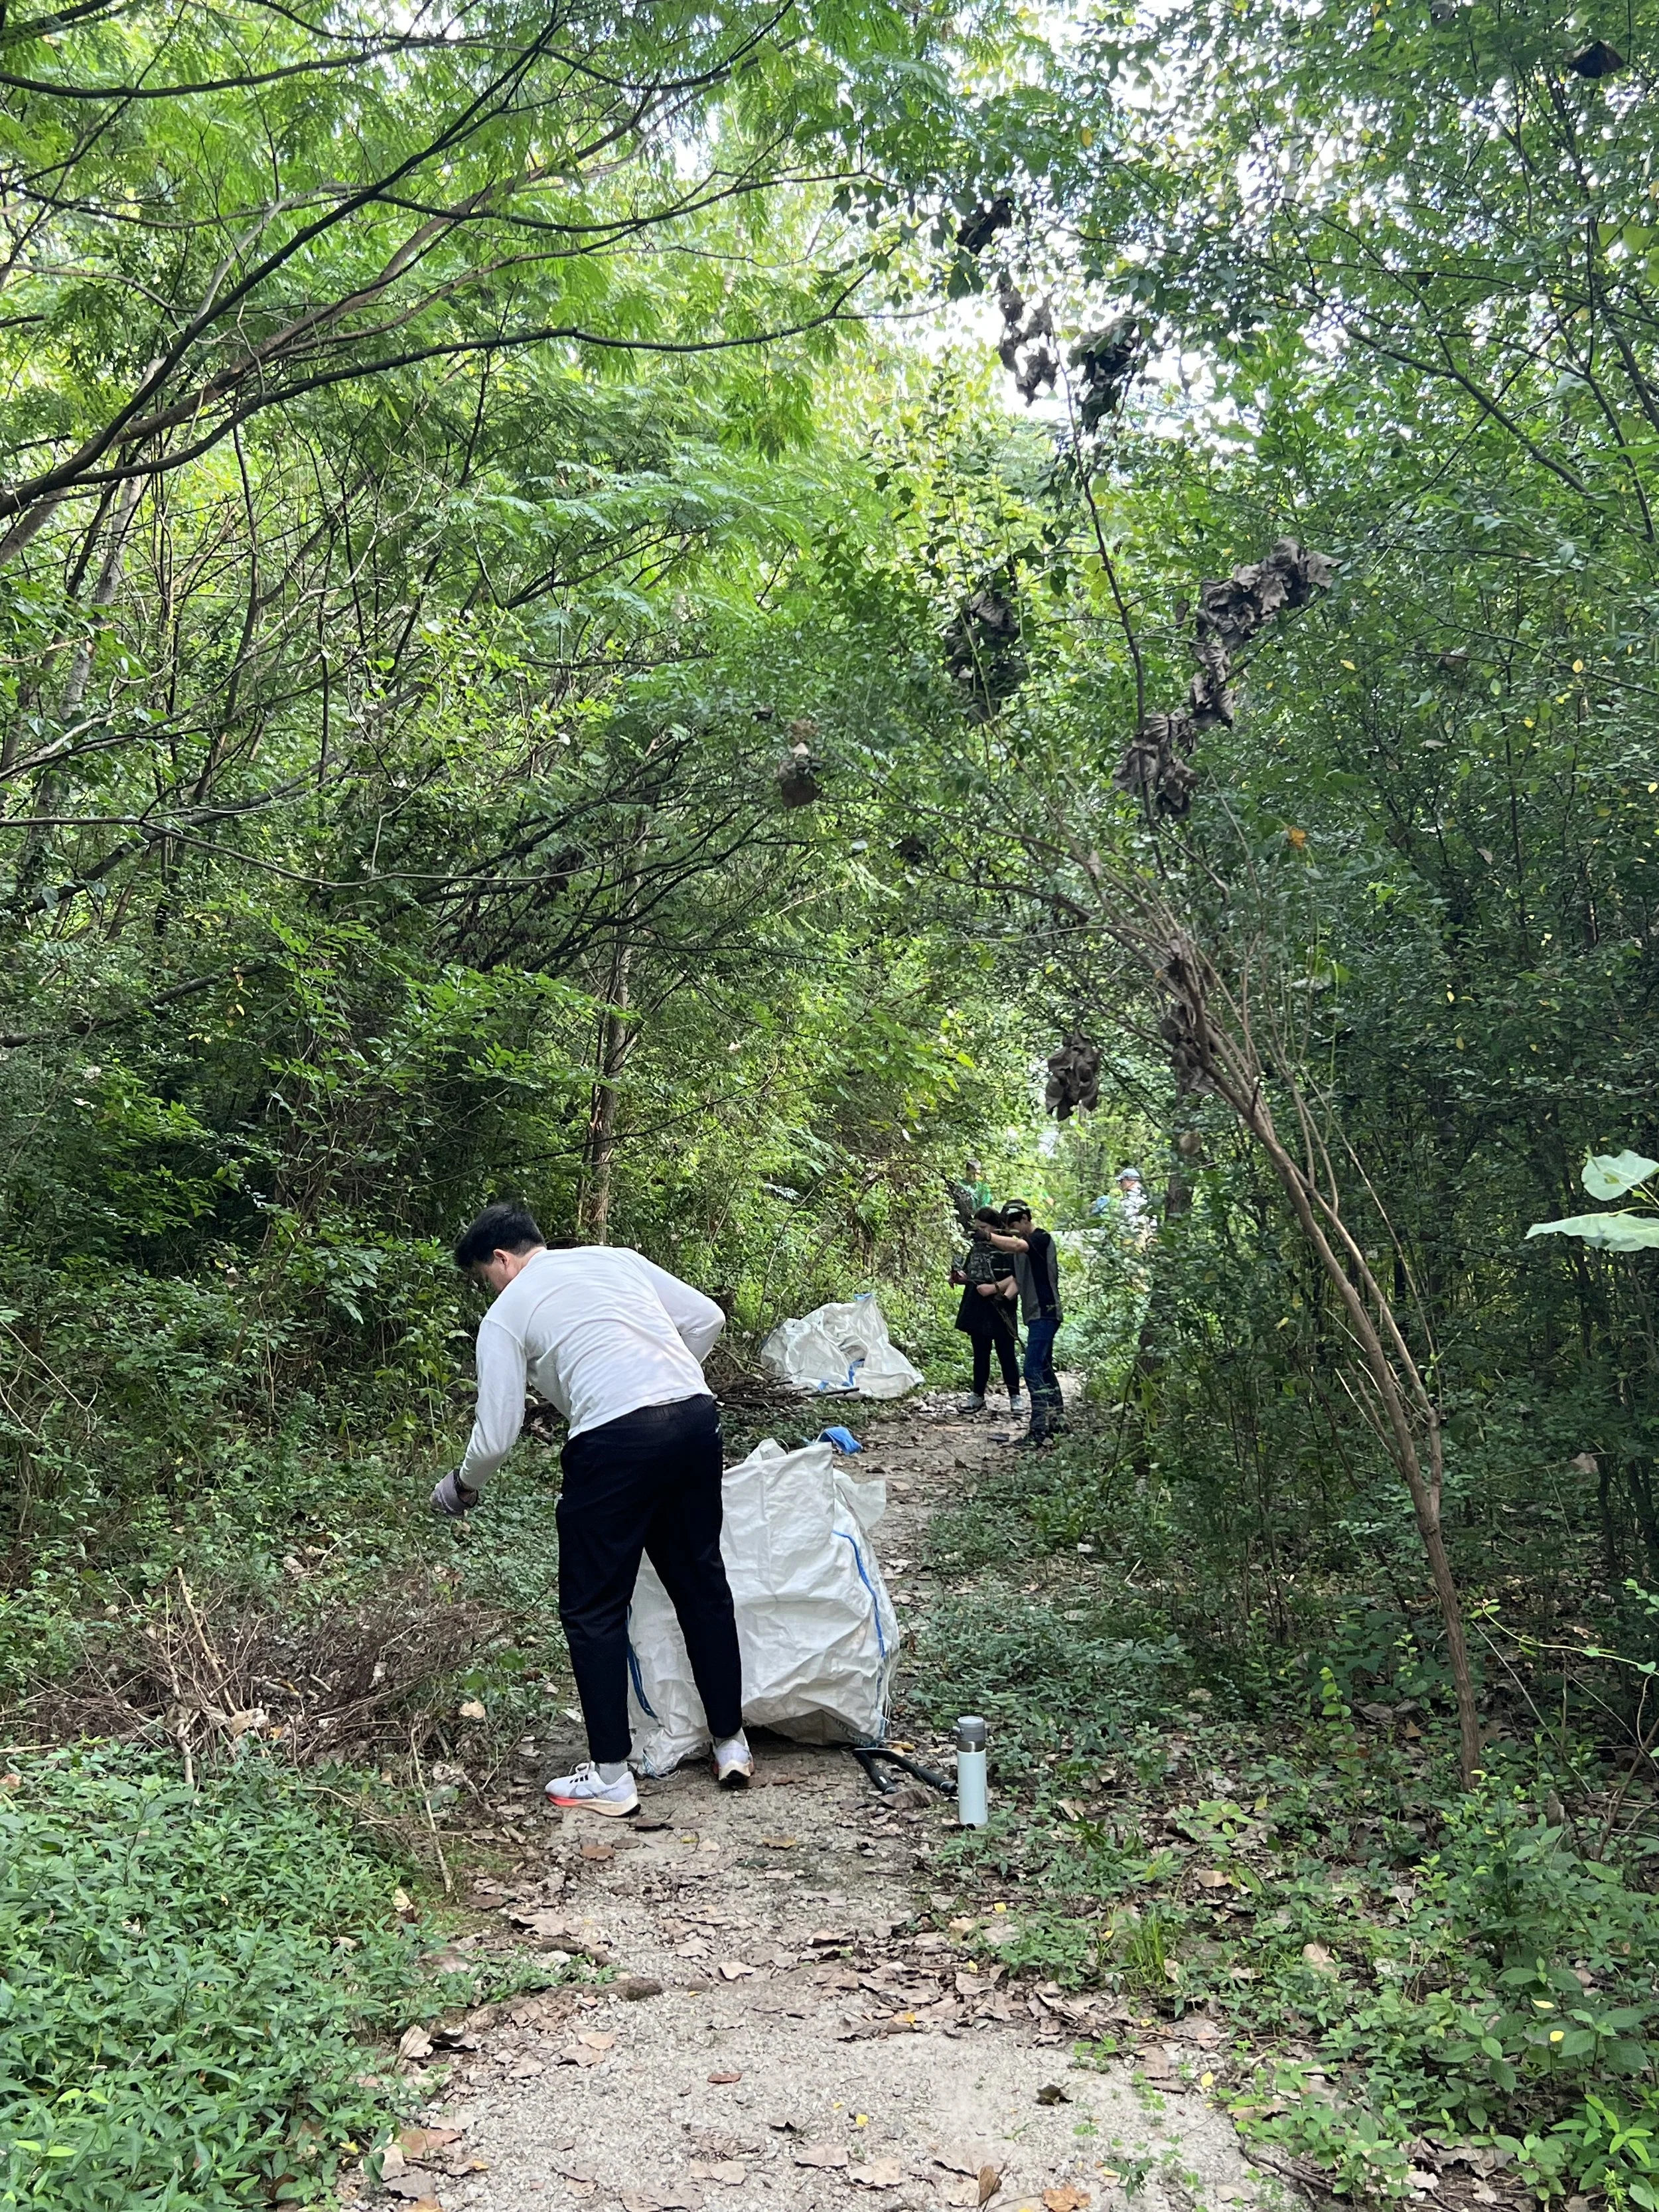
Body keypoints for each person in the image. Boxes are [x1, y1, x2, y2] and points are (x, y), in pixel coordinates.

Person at [433, 1203, 751, 1816]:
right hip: (693, 1417)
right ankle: (730, 1742)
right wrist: (665, 1381)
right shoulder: (614, 1260)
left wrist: (463, 1483)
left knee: (592, 1607)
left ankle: (611, 1774)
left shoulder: (508, 1311)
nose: (489, 1290)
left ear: (503, 1259)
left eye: (485, 1277)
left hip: (613, 1441)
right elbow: (706, 1317)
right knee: (701, 1584)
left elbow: (498, 1434)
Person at [988, 1200, 1064, 1447]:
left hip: (1046, 1312)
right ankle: (1058, 1423)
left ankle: (1038, 1429)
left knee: (1031, 1369)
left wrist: (988, 1236)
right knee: (1043, 1367)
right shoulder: (1022, 1253)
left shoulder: (1039, 1239)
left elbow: (1019, 1246)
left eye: (1015, 1225)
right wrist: (1002, 1296)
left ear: (1025, 1220)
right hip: (1035, 1314)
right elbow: (1018, 1281)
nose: (1013, 1232)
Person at [953, 1206, 1023, 1415]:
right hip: (978, 1305)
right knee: (980, 1353)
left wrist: (994, 1288)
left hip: (1001, 1304)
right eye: (978, 1228)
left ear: (994, 1227)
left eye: (983, 1227)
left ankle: (1015, 1397)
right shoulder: (977, 1246)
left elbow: (1017, 1277)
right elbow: (971, 1271)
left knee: (1006, 1353)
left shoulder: (1008, 1245)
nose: (980, 1231)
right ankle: (978, 1395)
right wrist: (961, 1278)